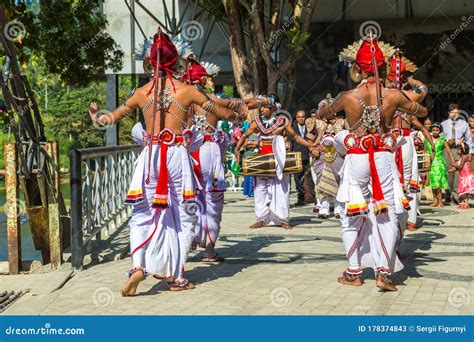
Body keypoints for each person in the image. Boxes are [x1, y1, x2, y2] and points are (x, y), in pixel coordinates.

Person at [89, 29, 247, 296]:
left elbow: (109, 119)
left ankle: (138, 266)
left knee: (142, 214)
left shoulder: (141, 93)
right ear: (176, 63)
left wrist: (95, 115)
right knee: (183, 216)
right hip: (176, 155)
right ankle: (176, 276)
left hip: (150, 156)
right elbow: (219, 112)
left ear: (150, 63)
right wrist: (239, 115)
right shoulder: (187, 91)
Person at [319, 36, 428, 291]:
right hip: (383, 157)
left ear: (357, 69)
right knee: (387, 213)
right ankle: (383, 272)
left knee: (352, 214)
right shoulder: (393, 95)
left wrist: (326, 105)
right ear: (385, 68)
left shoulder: (347, 96)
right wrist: (411, 101)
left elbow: (324, 112)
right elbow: (420, 111)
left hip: (357, 157)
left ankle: (354, 271)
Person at [235, 95, 317, 230]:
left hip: (279, 158)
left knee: (281, 188)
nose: (261, 110)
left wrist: (310, 145)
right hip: (263, 159)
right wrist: (237, 149)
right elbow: (245, 135)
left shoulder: (282, 121)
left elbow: (295, 137)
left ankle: (283, 219)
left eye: (265, 107)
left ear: (273, 108)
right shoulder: (256, 121)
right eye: (260, 107)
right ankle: (262, 218)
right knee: (260, 189)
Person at [386, 52, 433, 231]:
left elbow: (420, 125)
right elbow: (424, 90)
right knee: (398, 180)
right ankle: (401, 218)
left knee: (403, 180)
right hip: (394, 142)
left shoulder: (382, 95)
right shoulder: (406, 96)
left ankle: (405, 219)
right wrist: (413, 82)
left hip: (397, 141)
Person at [306, 111, 348, 219]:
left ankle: (339, 209)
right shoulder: (316, 123)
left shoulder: (342, 122)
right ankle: (324, 209)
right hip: (321, 157)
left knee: (338, 182)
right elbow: (309, 138)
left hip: (337, 156)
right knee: (321, 183)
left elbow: (349, 138)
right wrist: (311, 149)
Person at [441, 104, 473, 203]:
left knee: (458, 172)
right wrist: (445, 141)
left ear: (459, 113)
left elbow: (468, 139)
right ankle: (447, 193)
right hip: (447, 150)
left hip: (460, 150)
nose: (454, 114)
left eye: (456, 112)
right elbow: (439, 137)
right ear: (448, 113)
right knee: (448, 171)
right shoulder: (443, 124)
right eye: (452, 112)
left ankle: (456, 194)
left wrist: (470, 153)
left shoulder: (463, 124)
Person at [426, 123, 455, 208]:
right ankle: (435, 200)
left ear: (440, 131)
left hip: (439, 163)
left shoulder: (443, 140)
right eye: (433, 130)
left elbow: (449, 152)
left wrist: (453, 162)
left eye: (437, 130)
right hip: (430, 162)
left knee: (438, 182)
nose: (435, 132)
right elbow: (424, 150)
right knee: (432, 182)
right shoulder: (427, 139)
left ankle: (440, 201)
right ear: (431, 131)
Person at [292, 109, 315, 206]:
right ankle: (301, 197)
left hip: (308, 154)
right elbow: (290, 141)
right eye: (299, 117)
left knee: (310, 177)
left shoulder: (309, 127)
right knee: (297, 177)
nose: (301, 119)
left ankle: (313, 197)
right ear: (296, 118)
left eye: (302, 117)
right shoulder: (292, 128)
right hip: (296, 155)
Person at [448, 142, 473, 209]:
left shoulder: (464, 157)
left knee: (465, 192)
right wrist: (451, 170)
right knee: (463, 192)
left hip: (466, 176)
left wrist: (455, 165)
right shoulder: (461, 157)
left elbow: (460, 167)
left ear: (463, 150)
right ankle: (464, 202)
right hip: (462, 175)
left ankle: (466, 203)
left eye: (458, 150)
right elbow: (458, 168)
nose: (457, 151)